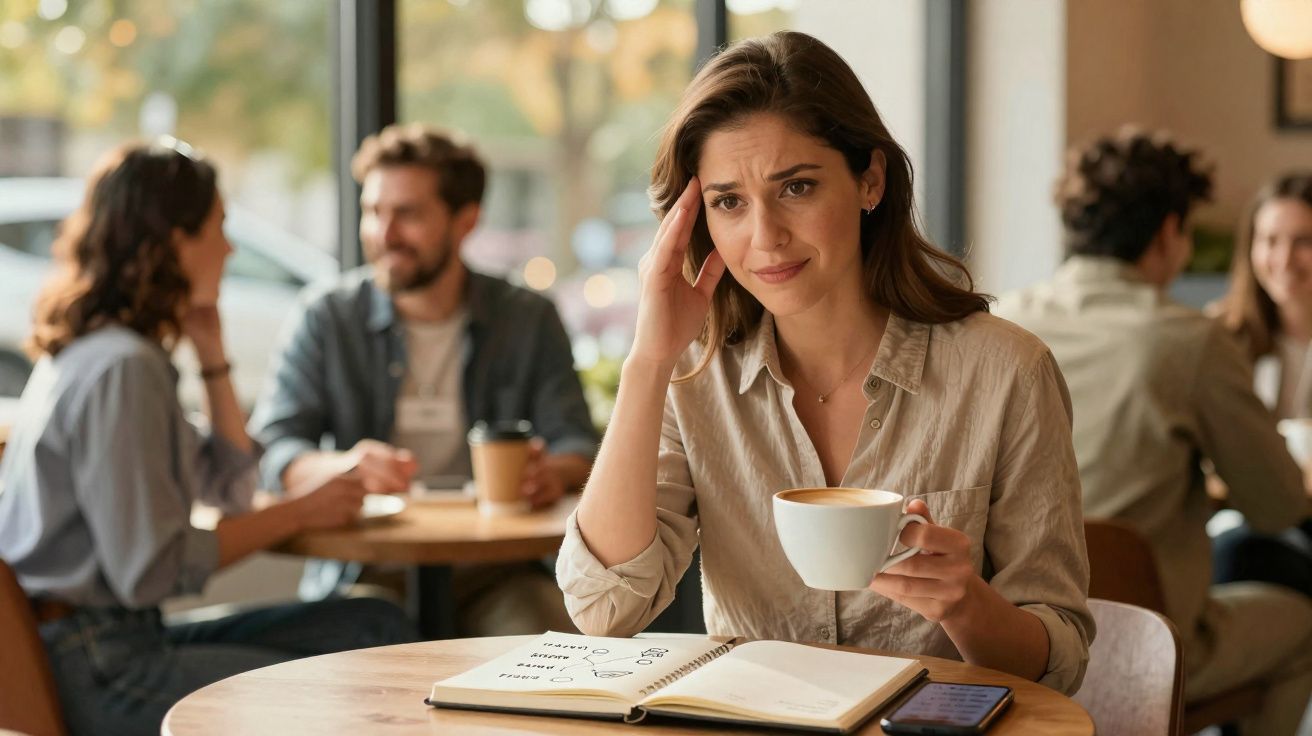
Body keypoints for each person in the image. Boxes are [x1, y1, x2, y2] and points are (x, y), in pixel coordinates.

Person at [555, 31, 1093, 695]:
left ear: (870, 181)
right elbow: (605, 608)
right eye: (729, 202)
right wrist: (647, 360)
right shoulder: (692, 375)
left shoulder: (1008, 372)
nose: (765, 236)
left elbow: (1059, 660)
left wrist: (964, 603)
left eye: (797, 187)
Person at [0, 139, 415, 736]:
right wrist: (299, 512)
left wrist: (211, 352)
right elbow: (149, 569)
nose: (229, 247)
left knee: (372, 624)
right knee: (353, 692)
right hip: (101, 666)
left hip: (118, 639)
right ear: (176, 242)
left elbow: (231, 488)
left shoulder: (117, 355)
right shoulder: (122, 370)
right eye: (219, 227)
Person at [995, 130, 1312, 735]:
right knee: (1300, 620)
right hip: (1142, 645)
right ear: (1169, 232)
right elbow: (1278, 507)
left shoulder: (1001, 321)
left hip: (1009, 643)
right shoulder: (1189, 342)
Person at [248, 124, 597, 634]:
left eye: (407, 214)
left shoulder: (527, 318)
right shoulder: (327, 317)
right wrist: (344, 467)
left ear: (466, 221)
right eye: (373, 212)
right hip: (365, 571)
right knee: (359, 650)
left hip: (498, 571)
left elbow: (577, 444)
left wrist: (549, 473)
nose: (384, 234)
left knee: (549, 647)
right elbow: (272, 448)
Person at [1211, 172, 1312, 598]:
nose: (1284, 259)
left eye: (1303, 241)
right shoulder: (1220, 336)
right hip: (1246, 518)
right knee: (1234, 555)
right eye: (1269, 240)